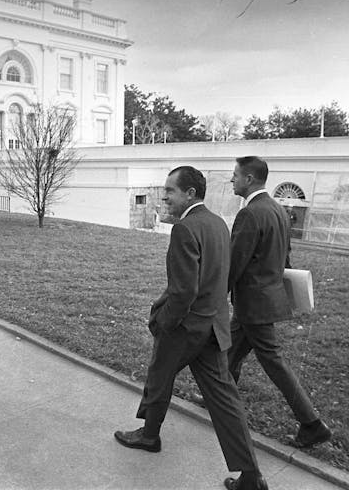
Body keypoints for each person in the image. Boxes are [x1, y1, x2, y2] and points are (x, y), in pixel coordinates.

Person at [114, 166, 268, 490]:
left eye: (170, 190)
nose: (165, 196)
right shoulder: (218, 224)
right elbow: (221, 278)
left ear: (190, 194)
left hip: (186, 327)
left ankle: (149, 436)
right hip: (214, 326)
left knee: (159, 373)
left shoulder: (184, 229)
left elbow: (183, 291)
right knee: (225, 400)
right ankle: (251, 475)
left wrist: (164, 323)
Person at [227, 156, 331, 449]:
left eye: (235, 175)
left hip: (253, 306)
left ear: (249, 179)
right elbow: (285, 257)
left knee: (274, 363)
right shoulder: (278, 210)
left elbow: (235, 262)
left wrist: (215, 295)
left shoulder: (250, 214)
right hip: (264, 300)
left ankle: (312, 423)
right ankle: (220, 400)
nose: (232, 180)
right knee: (228, 356)